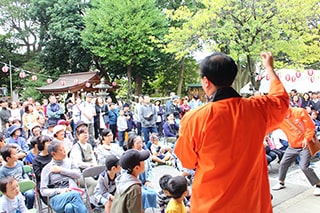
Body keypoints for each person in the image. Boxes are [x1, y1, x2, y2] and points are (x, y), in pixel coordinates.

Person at [174, 52, 289, 212]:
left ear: (206, 82)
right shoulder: (257, 108)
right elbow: (281, 101)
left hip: (212, 204)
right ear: (232, 79)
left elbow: (187, 161)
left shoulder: (195, 118)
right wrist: (269, 68)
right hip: (252, 203)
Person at [272, 107, 320, 195]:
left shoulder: (299, 112)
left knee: (304, 166)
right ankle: (281, 182)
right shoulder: (279, 118)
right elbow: (270, 126)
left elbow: (310, 127)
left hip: (305, 145)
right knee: (283, 163)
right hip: (292, 145)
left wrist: (307, 138)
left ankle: (318, 184)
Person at [40, 140, 87, 213]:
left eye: (64, 149)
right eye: (61, 150)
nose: (64, 151)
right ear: (54, 154)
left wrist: (61, 170)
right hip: (57, 198)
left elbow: (78, 175)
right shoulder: (47, 169)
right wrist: (59, 191)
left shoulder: (70, 162)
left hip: (72, 191)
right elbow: (43, 191)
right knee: (74, 195)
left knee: (69, 208)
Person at [124, 134, 158, 211]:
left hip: (144, 182)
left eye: (141, 142)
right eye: (138, 143)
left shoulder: (144, 154)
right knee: (142, 195)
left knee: (152, 193)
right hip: (133, 183)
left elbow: (149, 169)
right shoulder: (128, 156)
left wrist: (148, 180)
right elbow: (125, 173)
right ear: (132, 145)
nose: (141, 145)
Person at [0, 144, 35, 209]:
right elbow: (3, 183)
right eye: (15, 154)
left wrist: (28, 181)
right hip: (12, 189)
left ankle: (28, 208)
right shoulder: (2, 170)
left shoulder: (20, 163)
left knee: (30, 194)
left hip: (23, 185)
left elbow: (23, 174)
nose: (17, 155)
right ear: (8, 158)